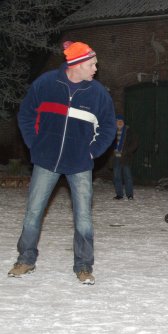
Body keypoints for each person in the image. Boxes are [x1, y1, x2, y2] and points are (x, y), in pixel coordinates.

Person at [9, 41, 116, 285]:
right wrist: (34, 144)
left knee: (83, 217)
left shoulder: (98, 93)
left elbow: (109, 127)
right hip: (46, 160)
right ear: (76, 65)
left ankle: (84, 265)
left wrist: (92, 152)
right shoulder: (45, 84)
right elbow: (26, 114)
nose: (96, 68)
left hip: (80, 164)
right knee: (33, 212)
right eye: (91, 64)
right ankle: (25, 259)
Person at [112, 114, 138, 200]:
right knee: (116, 176)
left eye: (121, 121)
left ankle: (129, 195)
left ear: (123, 122)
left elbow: (135, 143)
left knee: (127, 176)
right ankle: (119, 194)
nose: (119, 123)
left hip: (125, 157)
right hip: (116, 157)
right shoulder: (113, 132)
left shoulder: (128, 131)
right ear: (116, 122)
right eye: (118, 121)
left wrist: (127, 151)